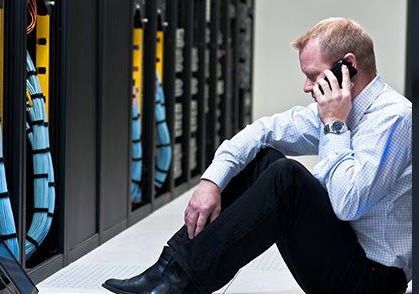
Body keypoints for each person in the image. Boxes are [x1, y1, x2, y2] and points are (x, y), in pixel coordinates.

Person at [103, 17, 412, 294]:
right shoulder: (342, 110)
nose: (306, 87)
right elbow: (262, 130)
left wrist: (334, 124)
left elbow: (348, 203)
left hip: (371, 280)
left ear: (348, 66)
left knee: (286, 178)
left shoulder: (394, 118)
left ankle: (179, 283)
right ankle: (169, 270)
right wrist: (211, 181)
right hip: (343, 252)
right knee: (264, 159)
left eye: (313, 75)